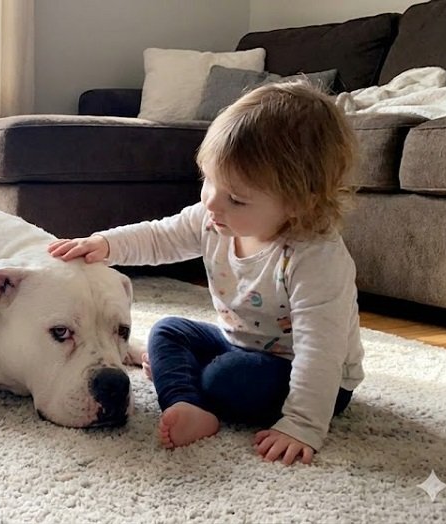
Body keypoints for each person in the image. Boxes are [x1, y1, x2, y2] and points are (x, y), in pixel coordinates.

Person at [48, 82, 364, 465]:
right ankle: (187, 405)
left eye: (236, 197)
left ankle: (198, 385)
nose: (211, 203)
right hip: (240, 343)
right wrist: (106, 244)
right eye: (209, 181)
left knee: (225, 377)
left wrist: (302, 425)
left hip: (308, 373)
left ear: (299, 203)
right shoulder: (215, 219)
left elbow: (321, 353)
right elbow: (159, 237)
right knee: (167, 331)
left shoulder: (315, 258)